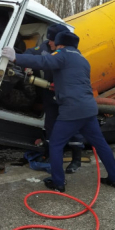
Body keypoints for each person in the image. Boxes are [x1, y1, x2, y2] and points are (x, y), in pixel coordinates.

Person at [2, 31, 115, 192]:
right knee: (101, 144)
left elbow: (44, 61)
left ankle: (58, 183)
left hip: (72, 110)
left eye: (54, 43)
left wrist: (16, 57)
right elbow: (74, 81)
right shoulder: (83, 60)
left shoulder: (62, 54)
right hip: (89, 109)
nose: (51, 44)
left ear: (61, 44)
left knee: (56, 144)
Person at [24, 24, 84, 173]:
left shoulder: (71, 53)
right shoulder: (44, 48)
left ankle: (76, 160)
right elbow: (31, 53)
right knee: (50, 127)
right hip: (49, 96)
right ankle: (52, 156)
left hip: (66, 97)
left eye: (52, 39)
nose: (49, 42)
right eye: (49, 39)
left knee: (73, 128)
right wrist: (25, 64)